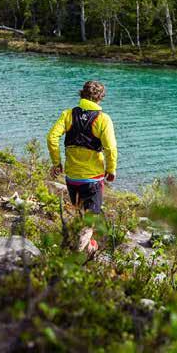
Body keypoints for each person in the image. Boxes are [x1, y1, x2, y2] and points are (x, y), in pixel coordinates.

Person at [46, 80, 117, 251]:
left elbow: (51, 138)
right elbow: (110, 148)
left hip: (72, 178)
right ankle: (74, 256)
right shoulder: (103, 119)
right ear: (100, 97)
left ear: (82, 94)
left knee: (80, 216)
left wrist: (57, 163)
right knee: (89, 221)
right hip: (93, 179)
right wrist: (111, 169)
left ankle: (87, 249)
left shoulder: (68, 114)